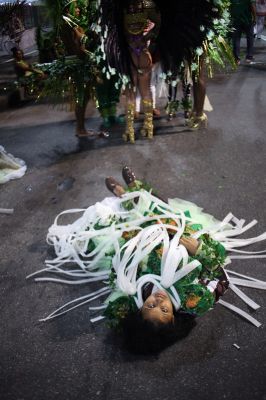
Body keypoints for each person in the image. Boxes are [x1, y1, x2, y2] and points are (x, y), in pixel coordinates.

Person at [30, 167, 266, 354]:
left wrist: (128, 255)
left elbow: (118, 275)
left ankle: (126, 193)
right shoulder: (196, 301)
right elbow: (222, 275)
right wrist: (195, 248)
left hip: (148, 239)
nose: (158, 300)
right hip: (187, 242)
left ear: (140, 309)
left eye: (150, 306)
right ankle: (133, 190)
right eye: (163, 310)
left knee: (138, 221)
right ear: (174, 321)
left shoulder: (138, 292)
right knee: (169, 213)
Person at [230, 0, 257, 64]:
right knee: (250, 38)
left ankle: (237, 59)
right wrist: (255, 18)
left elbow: (229, 8)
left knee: (236, 39)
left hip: (236, 21)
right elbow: (253, 7)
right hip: (247, 21)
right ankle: (249, 57)